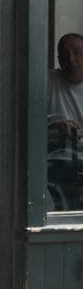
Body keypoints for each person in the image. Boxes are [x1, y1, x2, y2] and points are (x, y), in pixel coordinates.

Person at [51, 34, 83, 209]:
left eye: (77, 52)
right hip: (58, 166)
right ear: (59, 60)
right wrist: (55, 127)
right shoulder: (47, 81)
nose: (71, 60)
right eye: (64, 55)